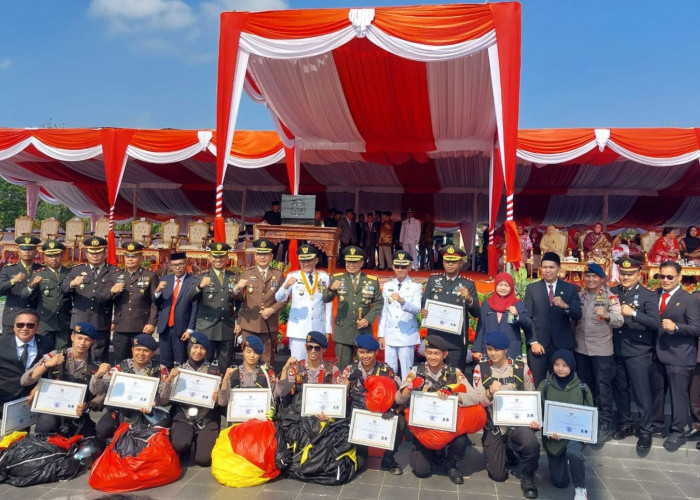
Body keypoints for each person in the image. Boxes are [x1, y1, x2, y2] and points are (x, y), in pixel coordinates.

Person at [397, 335, 487, 485]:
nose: (432, 357)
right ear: (424, 353)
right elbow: (398, 399)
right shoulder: (416, 371)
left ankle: (451, 463)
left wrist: (454, 395)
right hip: (424, 427)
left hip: (448, 426)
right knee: (421, 471)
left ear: (444, 354)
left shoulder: (454, 372)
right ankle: (430, 451)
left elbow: (475, 397)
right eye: (429, 353)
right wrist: (409, 387)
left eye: (437, 353)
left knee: (461, 438)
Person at [473, 330, 539, 498]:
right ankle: (506, 449)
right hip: (495, 425)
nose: (492, 353)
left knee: (531, 443)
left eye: (497, 349)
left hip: (517, 423)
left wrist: (534, 420)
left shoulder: (520, 368)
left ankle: (528, 476)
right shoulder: (481, 369)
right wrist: (489, 393)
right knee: (498, 475)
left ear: (506, 350)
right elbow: (478, 400)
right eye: (489, 349)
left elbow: (531, 396)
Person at [22, 322, 109, 437]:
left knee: (91, 440)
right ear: (72, 337)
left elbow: (101, 395)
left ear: (92, 342)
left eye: (87, 339)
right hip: (51, 410)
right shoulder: (55, 355)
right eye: (79, 338)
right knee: (45, 426)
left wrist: (88, 405)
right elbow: (25, 380)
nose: (82, 343)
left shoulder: (96, 367)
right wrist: (47, 365)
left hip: (77, 413)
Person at [610, 257, 659, 450]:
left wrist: (634, 313)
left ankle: (646, 429)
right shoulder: (613, 292)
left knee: (641, 392)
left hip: (638, 350)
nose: (625, 277)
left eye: (630, 274)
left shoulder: (648, 295)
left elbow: (655, 323)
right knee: (620, 389)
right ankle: (626, 423)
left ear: (639, 274)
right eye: (622, 273)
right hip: (617, 348)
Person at [534, 350, 594, 500]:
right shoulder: (545, 385)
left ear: (572, 367)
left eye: (565, 365)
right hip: (553, 436)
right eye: (556, 364)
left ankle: (580, 488)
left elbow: (589, 414)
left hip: (574, 436)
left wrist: (587, 434)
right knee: (560, 482)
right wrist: (544, 426)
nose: (560, 368)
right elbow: (538, 409)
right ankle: (566, 463)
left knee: (574, 452)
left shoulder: (581, 388)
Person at [653, 261, 700, 451]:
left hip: (680, 355)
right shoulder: (654, 295)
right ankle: (656, 427)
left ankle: (677, 431)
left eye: (669, 277)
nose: (665, 280)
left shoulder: (689, 299)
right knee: (656, 392)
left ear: (679, 277)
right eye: (661, 276)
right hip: (657, 353)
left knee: (678, 396)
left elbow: (697, 328)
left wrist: (677, 327)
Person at [573, 263, 623, 443]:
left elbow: (619, 320)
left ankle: (604, 424)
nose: (591, 279)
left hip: (602, 350)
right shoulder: (580, 297)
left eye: (595, 276)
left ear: (602, 279)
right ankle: (587, 420)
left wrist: (607, 315)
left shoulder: (610, 298)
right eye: (588, 276)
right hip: (581, 349)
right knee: (585, 387)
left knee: (603, 389)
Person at [93, 334, 172, 445]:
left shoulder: (160, 369)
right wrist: (98, 376)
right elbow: (99, 389)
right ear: (132, 350)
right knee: (102, 429)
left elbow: (164, 399)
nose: (141, 354)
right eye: (138, 350)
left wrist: (156, 401)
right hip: (121, 411)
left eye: (146, 351)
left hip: (147, 413)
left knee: (152, 438)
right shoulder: (120, 368)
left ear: (153, 353)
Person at [342, 334, 404, 474]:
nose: (365, 356)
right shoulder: (350, 369)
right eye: (361, 352)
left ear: (376, 352)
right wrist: (348, 381)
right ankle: (360, 451)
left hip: (380, 415)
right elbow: (338, 396)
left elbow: (400, 393)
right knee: (360, 463)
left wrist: (395, 410)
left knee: (399, 421)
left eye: (369, 352)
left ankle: (388, 458)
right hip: (358, 417)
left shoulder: (385, 370)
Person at [524, 251, 582, 386]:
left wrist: (565, 306)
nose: (548, 271)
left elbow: (577, 314)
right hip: (539, 346)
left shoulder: (570, 289)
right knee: (538, 383)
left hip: (562, 345)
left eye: (551, 267)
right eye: (545, 267)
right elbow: (527, 317)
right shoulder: (532, 288)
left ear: (558, 268)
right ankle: (540, 407)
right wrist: (533, 342)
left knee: (562, 384)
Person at [420, 244, 480, 371]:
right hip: (435, 340)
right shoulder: (433, 280)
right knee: (433, 378)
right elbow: (424, 302)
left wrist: (469, 299)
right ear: (443, 262)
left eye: (454, 262)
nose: (450, 264)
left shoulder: (468, 284)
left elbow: (476, 313)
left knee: (456, 379)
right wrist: (423, 311)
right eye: (447, 261)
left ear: (461, 263)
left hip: (456, 342)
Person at [323, 245, 383, 369]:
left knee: (363, 367)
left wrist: (368, 319)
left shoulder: (371, 281)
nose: (351, 264)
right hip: (343, 330)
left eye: (354, 262)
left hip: (363, 331)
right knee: (342, 368)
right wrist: (331, 289)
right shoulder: (337, 278)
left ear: (362, 262)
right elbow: (325, 299)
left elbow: (378, 303)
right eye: (348, 261)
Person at [168, 332, 223, 466]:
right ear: (189, 348)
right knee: (180, 446)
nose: (198, 351)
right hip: (184, 416)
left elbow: (221, 403)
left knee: (203, 460)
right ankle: (187, 440)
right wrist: (170, 379)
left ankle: (200, 438)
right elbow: (164, 400)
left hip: (206, 417)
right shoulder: (179, 370)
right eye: (195, 347)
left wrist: (217, 399)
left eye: (203, 348)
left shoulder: (214, 372)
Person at [61, 236, 117, 363]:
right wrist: (72, 284)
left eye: (98, 252)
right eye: (92, 253)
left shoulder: (113, 271)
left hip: (101, 320)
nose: (95, 256)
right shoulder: (77, 270)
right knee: (77, 357)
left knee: (99, 358)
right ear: (87, 253)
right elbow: (63, 288)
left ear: (105, 253)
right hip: (80, 320)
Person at [275, 243, 332, 361]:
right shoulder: (293, 276)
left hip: (317, 328)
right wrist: (285, 286)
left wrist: (327, 330)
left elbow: (328, 305)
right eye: (302, 261)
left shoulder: (324, 277)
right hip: (298, 330)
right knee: (297, 364)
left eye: (309, 260)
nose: (305, 264)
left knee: (315, 365)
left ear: (316, 260)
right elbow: (279, 298)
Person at [234, 238, 285, 366]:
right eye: (260, 254)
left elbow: (284, 298)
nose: (263, 257)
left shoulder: (278, 275)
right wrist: (237, 288)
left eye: (266, 254)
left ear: (271, 256)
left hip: (269, 323)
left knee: (267, 360)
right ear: (255, 256)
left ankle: (267, 384)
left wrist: (272, 309)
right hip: (250, 323)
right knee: (249, 359)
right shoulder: (246, 273)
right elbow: (237, 297)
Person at [188, 242, 238, 369]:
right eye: (215, 257)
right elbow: (189, 297)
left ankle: (222, 388)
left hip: (226, 327)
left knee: (225, 366)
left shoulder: (234, 277)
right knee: (204, 365)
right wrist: (200, 287)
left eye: (221, 257)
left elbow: (240, 303)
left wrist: (239, 322)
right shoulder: (201, 277)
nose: (218, 260)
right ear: (210, 257)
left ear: (227, 258)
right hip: (207, 328)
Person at [111, 242, 159, 364]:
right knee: (121, 361)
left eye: (134, 256)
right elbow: (107, 300)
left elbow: (155, 302)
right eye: (128, 256)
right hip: (120, 326)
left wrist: (152, 323)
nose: (130, 259)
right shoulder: (116, 276)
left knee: (142, 361)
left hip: (141, 326)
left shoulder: (150, 276)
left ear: (141, 257)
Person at [378, 251, 422, 380]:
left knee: (406, 372)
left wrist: (403, 301)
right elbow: (384, 311)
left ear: (409, 267)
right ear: (393, 267)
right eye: (397, 266)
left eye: (404, 267)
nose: (400, 270)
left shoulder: (415, 286)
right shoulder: (388, 285)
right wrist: (381, 334)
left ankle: (406, 398)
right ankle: (390, 397)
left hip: (406, 335)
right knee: (389, 371)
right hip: (390, 334)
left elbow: (417, 309)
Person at [0, 309, 52, 416]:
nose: (24, 328)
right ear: (14, 326)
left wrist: (38, 388)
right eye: (20, 325)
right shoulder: (2, 345)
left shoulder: (46, 344)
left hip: (31, 399)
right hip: (5, 398)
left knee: (25, 432)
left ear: (37, 327)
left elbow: (49, 371)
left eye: (30, 325)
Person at [473, 272, 532, 361]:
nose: (503, 288)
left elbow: (528, 325)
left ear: (511, 287)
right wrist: (477, 349)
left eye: (506, 285)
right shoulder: (487, 305)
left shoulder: (518, 304)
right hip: (490, 351)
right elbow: (481, 328)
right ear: (496, 285)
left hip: (511, 351)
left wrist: (517, 315)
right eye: (500, 285)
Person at [155, 252, 199, 368]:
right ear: (170, 266)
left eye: (181, 264)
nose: (178, 268)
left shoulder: (193, 281)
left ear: (186, 264)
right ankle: (165, 385)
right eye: (174, 265)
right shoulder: (165, 279)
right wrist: (158, 291)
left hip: (182, 329)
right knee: (164, 363)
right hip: (165, 328)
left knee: (181, 363)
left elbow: (195, 307)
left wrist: (190, 329)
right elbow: (157, 304)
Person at [29, 240, 72, 350]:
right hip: (45, 323)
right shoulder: (39, 274)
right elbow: (26, 295)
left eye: (57, 255)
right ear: (45, 257)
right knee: (43, 356)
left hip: (64, 322)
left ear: (62, 255)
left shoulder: (70, 273)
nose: (53, 259)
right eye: (50, 256)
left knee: (62, 356)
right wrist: (32, 285)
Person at [275, 330, 342, 400]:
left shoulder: (332, 370)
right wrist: (285, 369)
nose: (313, 351)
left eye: (317, 348)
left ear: (324, 349)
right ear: (305, 347)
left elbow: (340, 395)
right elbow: (281, 392)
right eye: (309, 347)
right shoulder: (296, 368)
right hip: (299, 408)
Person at [0, 235, 43, 335]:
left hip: (33, 319)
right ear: (18, 251)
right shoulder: (9, 269)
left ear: (36, 252)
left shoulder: (41, 269)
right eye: (24, 249)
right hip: (13, 318)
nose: (27, 252)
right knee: (9, 348)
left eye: (30, 249)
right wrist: (12, 281)